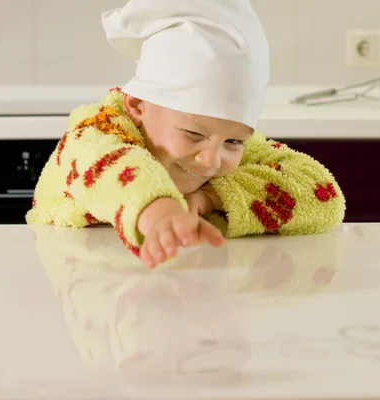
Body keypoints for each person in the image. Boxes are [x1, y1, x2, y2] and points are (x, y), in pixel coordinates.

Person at [26, 0, 346, 268]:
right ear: (137, 105)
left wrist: (208, 198)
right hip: (90, 283)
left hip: (187, 285)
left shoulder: (221, 139)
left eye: (234, 141)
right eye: (193, 134)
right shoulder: (94, 133)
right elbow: (111, 166)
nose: (211, 159)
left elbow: (320, 191)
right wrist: (161, 214)